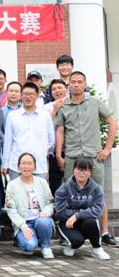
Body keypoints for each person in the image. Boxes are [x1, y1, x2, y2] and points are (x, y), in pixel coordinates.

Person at [55, 71, 118, 246]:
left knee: (99, 194)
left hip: (94, 156)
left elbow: (113, 123)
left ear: (85, 84)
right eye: (73, 82)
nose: (76, 85)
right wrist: (59, 155)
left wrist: (107, 148)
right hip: (72, 157)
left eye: (79, 82)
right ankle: (68, 233)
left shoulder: (95, 102)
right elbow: (60, 131)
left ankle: (104, 232)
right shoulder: (64, 105)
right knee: (69, 195)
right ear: (69, 85)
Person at [55, 157, 110, 260]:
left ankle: (97, 249)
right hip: (67, 223)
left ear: (90, 173)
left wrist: (77, 216)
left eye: (85, 170)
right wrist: (74, 217)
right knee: (77, 241)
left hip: (86, 222)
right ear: (73, 170)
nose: (81, 172)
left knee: (91, 222)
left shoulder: (97, 188)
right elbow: (60, 211)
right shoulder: (64, 188)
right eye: (79, 169)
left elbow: (97, 210)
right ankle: (72, 244)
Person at [4, 153, 55, 259]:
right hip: (24, 222)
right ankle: (33, 240)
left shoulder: (42, 182)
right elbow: (11, 210)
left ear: (34, 166)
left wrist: (45, 212)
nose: (26, 166)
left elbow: (50, 203)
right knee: (29, 246)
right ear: (18, 166)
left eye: (29, 163)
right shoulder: (12, 185)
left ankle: (45, 246)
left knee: (43, 222)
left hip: (40, 220)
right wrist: (23, 226)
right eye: (23, 163)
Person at [2, 83, 54, 180]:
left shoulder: (45, 115)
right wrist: (5, 164)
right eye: (25, 94)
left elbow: (51, 140)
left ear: (37, 96)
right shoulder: (12, 116)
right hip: (16, 165)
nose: (28, 97)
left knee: (40, 189)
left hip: (39, 165)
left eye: (31, 94)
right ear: (21, 96)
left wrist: (41, 150)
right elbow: (8, 142)